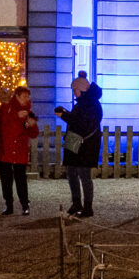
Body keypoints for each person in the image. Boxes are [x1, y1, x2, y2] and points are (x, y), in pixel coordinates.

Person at [55, 70, 103, 219]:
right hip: (76, 142)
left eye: (75, 89)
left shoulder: (92, 105)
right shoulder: (84, 103)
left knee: (84, 175)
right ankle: (77, 203)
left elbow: (83, 124)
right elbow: (78, 120)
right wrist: (66, 114)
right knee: (71, 173)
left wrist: (64, 115)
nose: (73, 92)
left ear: (82, 90)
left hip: (85, 144)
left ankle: (87, 207)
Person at [0, 82, 37, 216]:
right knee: (6, 179)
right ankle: (9, 205)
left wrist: (31, 125)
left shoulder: (29, 113)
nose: (27, 99)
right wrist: (16, 116)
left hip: (19, 151)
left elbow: (34, 134)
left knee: (21, 179)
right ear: (17, 96)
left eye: (28, 97)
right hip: (5, 150)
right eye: (24, 96)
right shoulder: (6, 108)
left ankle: (25, 204)